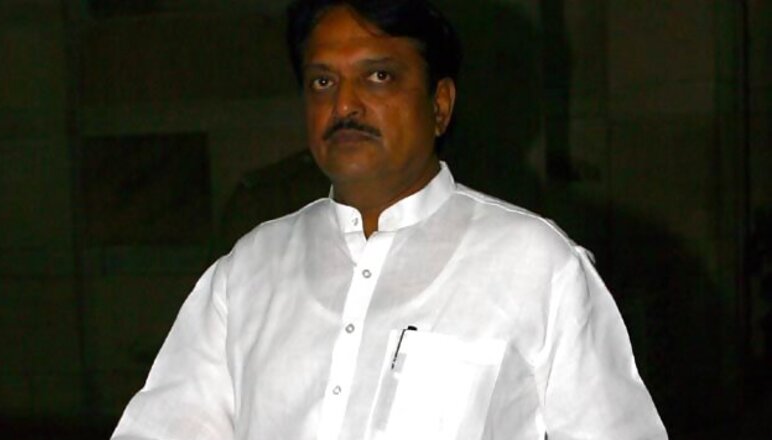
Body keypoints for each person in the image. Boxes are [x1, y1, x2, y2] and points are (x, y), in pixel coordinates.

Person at [111, 1, 667, 439]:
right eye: (323, 82)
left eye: (378, 76)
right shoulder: (249, 271)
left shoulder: (535, 264)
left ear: (439, 105)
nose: (344, 106)